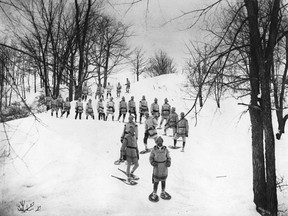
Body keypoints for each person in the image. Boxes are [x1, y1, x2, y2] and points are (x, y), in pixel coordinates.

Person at [149, 136, 171, 201]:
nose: (159, 143)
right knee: (156, 181)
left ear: (162, 142)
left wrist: (168, 162)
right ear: (156, 143)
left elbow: (168, 157)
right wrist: (152, 162)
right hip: (157, 167)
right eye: (158, 142)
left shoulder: (165, 150)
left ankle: (163, 192)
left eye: (161, 142)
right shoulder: (154, 150)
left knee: (163, 180)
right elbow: (151, 157)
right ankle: (154, 193)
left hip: (164, 166)